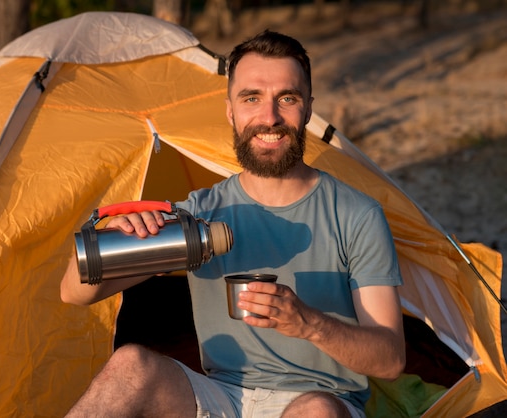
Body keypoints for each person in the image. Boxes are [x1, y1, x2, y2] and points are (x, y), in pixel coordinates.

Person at [60, 30, 405, 418]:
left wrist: (309, 323)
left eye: (286, 99)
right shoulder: (198, 215)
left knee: (317, 412)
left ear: (308, 109)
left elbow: (390, 360)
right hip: (222, 395)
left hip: (320, 399)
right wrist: (118, 235)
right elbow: (74, 292)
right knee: (130, 367)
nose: (270, 117)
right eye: (252, 98)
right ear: (230, 111)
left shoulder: (356, 214)